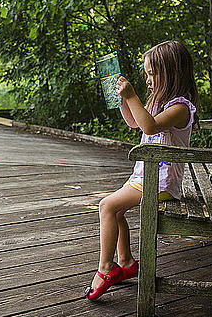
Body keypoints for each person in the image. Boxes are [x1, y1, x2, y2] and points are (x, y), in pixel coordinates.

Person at [84, 40, 200, 300]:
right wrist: (125, 101)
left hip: (160, 183)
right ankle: (125, 263)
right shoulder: (159, 102)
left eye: (152, 73)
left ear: (171, 73)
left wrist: (132, 96)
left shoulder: (180, 108)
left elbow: (148, 127)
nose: (147, 79)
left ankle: (105, 268)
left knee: (107, 206)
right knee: (116, 211)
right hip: (144, 177)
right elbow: (135, 123)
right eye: (146, 73)